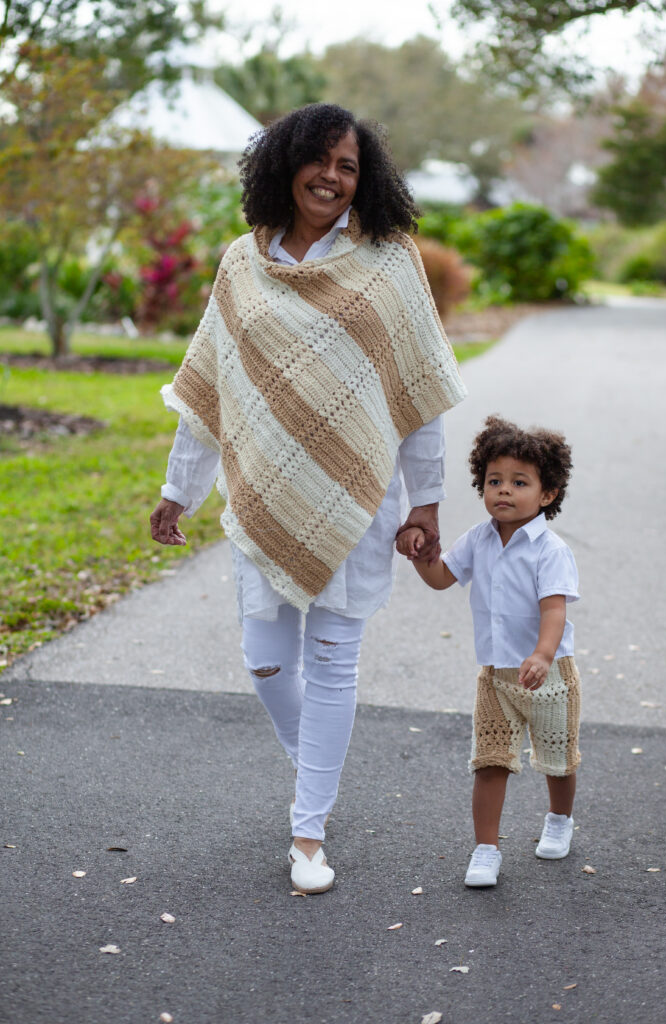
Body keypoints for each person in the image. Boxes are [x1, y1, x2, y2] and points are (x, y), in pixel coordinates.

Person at [149, 103, 467, 894]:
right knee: (264, 660)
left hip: (359, 498)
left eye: (349, 166)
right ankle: (315, 770)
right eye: (319, 160)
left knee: (330, 662)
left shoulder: (390, 261)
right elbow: (209, 392)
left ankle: (308, 831)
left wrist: (425, 503)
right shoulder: (239, 263)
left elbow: (418, 395)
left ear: (366, 180)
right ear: (283, 164)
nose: (331, 176)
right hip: (261, 495)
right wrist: (175, 493)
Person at [396, 415, 581, 888]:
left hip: (549, 673)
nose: (504, 490)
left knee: (556, 758)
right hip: (497, 677)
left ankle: (559, 818)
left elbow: (554, 610)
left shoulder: (549, 550)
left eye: (520, 482)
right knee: (490, 760)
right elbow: (442, 578)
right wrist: (422, 556)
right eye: (494, 480)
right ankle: (486, 848)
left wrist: (541, 655)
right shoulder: (478, 540)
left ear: (547, 495)